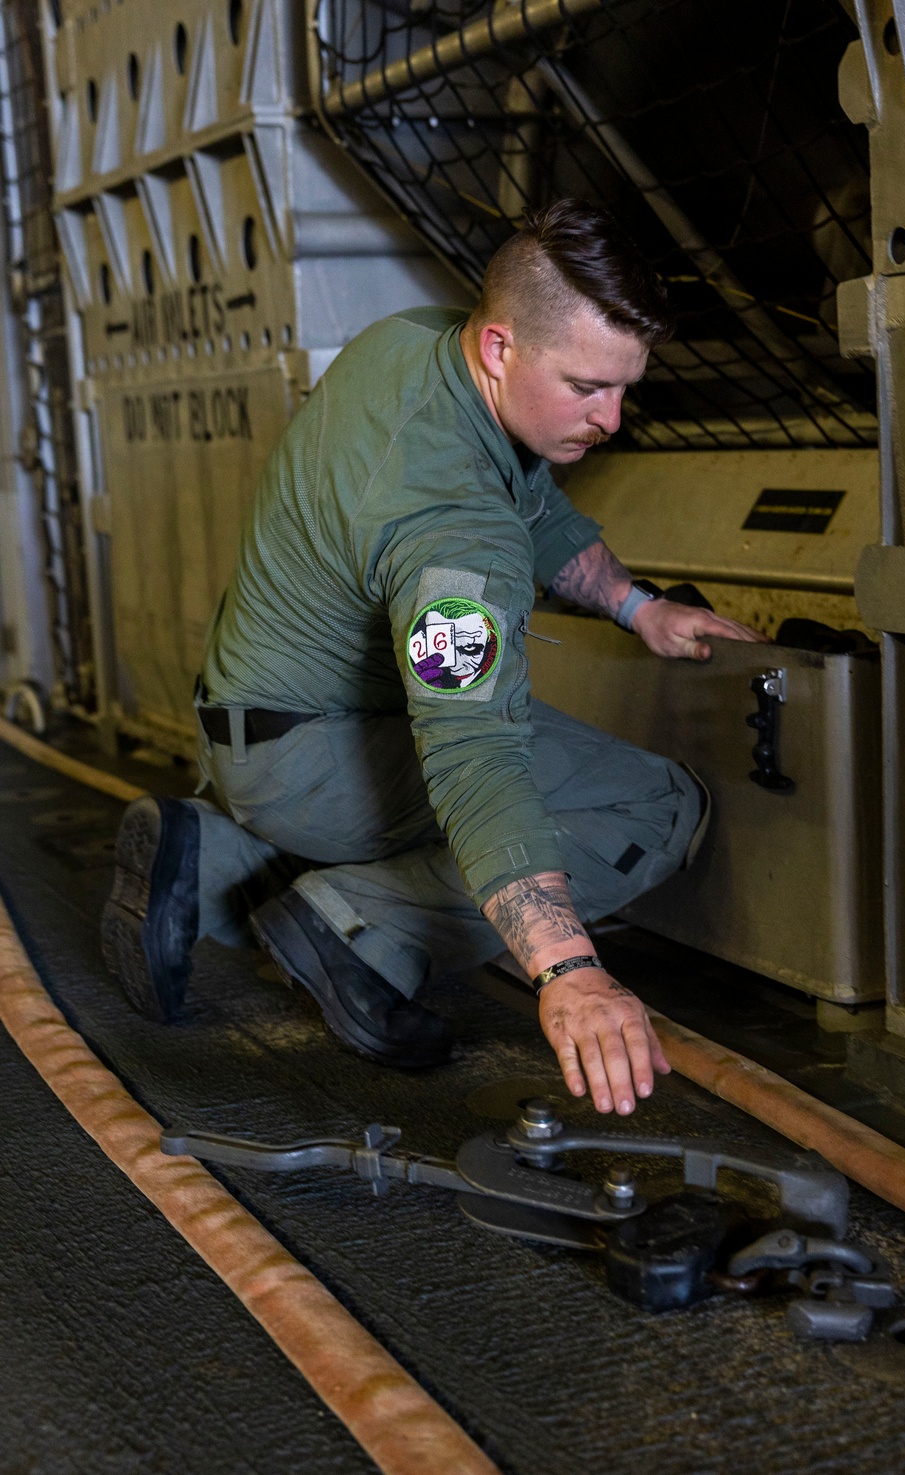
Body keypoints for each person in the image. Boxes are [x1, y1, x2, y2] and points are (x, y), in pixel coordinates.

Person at [102, 199, 764, 1117]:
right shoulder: (455, 532)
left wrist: (637, 605)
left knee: (492, 769)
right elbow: (474, 759)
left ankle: (214, 856)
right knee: (657, 804)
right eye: (586, 387)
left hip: (244, 720)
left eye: (625, 387)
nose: (611, 418)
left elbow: (535, 509)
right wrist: (570, 972)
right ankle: (355, 923)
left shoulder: (413, 345)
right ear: (502, 348)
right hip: (310, 758)